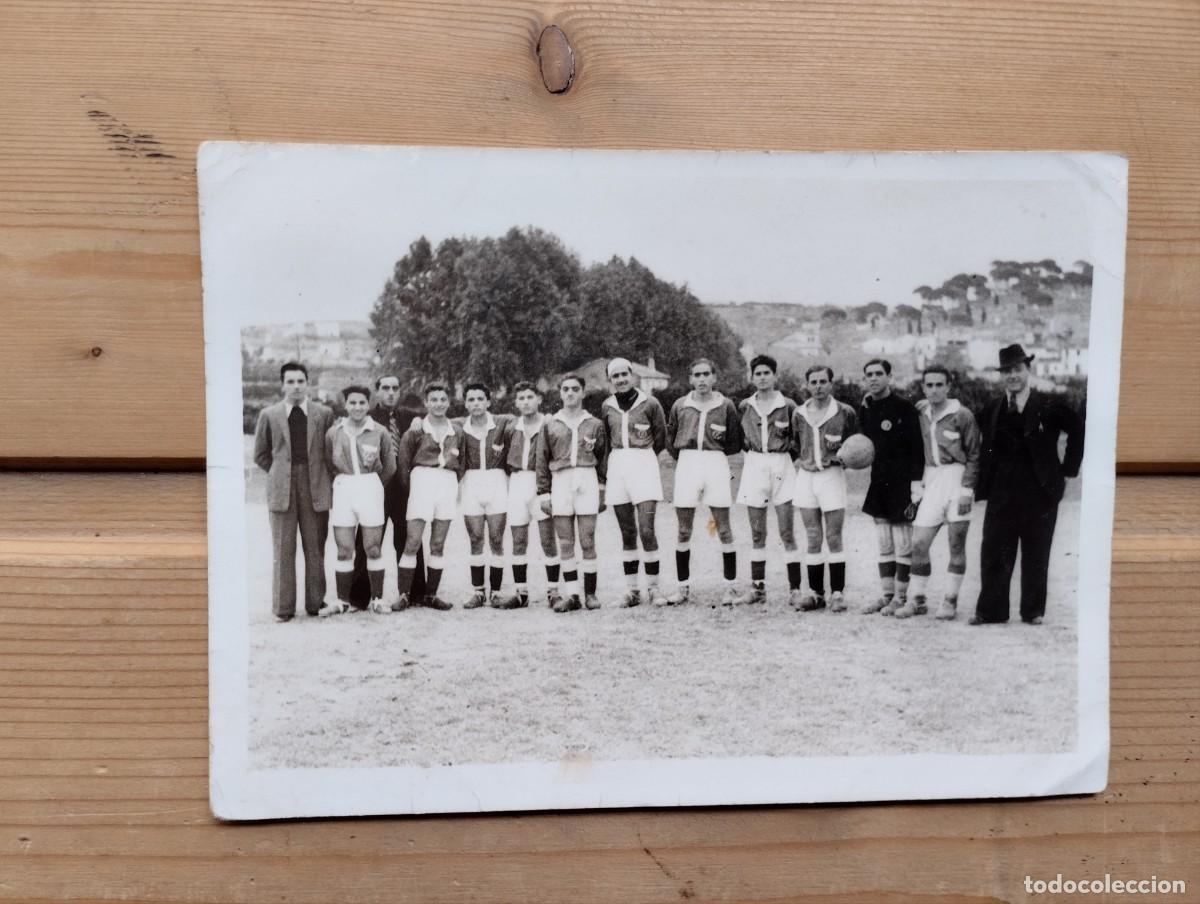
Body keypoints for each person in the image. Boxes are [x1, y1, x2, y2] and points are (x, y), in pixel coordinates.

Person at [972, 344, 1084, 626]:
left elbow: (1079, 429)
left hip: (1040, 491)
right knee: (994, 549)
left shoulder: (1049, 404)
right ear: (1001, 376)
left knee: (1037, 551)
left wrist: (1068, 469)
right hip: (1002, 491)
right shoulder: (993, 409)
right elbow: (974, 437)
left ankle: (1032, 611)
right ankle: (991, 611)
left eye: (1017, 369)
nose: (1012, 376)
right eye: (1007, 371)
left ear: (1028, 371)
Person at [894, 366, 982, 621]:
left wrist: (967, 491)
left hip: (957, 478)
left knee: (956, 544)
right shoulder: (920, 412)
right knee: (919, 543)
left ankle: (950, 601)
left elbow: (975, 455)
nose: (934, 389)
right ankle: (918, 599)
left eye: (939, 384)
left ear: (948, 386)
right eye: (929, 385)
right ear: (923, 387)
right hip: (931, 478)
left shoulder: (962, 415)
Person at [252, 362, 336, 622]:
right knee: (283, 548)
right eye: (290, 381)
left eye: (301, 381)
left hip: (314, 486)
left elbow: (330, 452)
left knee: (315, 546)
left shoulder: (323, 414)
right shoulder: (269, 414)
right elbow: (261, 455)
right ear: (282, 385)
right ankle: (283, 607)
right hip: (282, 488)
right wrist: (281, 473)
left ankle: (315, 602)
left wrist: (319, 476)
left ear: (307, 383)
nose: (296, 387)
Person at [665, 358, 748, 607]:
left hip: (715, 462)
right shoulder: (680, 405)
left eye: (706, 375)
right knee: (683, 529)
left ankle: (730, 588)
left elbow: (734, 441)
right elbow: (671, 439)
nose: (701, 380)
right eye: (696, 375)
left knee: (723, 528)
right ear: (690, 379)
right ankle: (683, 588)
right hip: (688, 463)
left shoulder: (727, 405)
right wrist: (687, 457)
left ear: (714, 377)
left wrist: (712, 453)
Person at [349, 376, 425, 609]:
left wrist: (419, 421)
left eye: (395, 388)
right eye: (385, 388)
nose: (391, 392)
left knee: (410, 538)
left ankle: (415, 593)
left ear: (400, 391)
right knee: (368, 541)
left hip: (403, 487)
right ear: (377, 391)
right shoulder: (367, 417)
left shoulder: (410, 417)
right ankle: (360, 597)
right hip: (376, 486)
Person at [319, 385, 396, 617]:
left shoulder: (380, 431)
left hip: (370, 486)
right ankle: (342, 601)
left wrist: (371, 485)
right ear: (345, 405)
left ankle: (377, 599)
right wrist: (344, 481)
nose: (357, 407)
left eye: (362, 403)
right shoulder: (334, 432)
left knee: (372, 547)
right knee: (344, 549)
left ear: (368, 404)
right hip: (344, 487)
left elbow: (390, 467)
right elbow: (328, 462)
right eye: (352, 403)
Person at [536, 374, 609, 612]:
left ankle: (590, 594)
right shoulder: (551, 423)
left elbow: (602, 457)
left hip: (586, 479)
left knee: (587, 540)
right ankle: (573, 595)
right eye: (565, 389)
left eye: (575, 389)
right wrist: (544, 493)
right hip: (560, 480)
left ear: (583, 392)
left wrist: (601, 487)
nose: (570, 393)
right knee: (566, 542)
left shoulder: (594, 423)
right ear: (559, 394)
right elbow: (542, 459)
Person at [599, 358, 669, 607]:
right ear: (610, 380)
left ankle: (654, 588)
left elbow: (660, 438)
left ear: (632, 375)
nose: (620, 380)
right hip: (618, 465)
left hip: (644, 463)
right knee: (627, 531)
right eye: (615, 376)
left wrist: (644, 454)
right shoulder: (607, 406)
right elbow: (606, 441)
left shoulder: (650, 403)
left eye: (624, 374)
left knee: (647, 529)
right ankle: (632, 590)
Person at [857, 359, 924, 615]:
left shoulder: (904, 408)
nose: (873, 378)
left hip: (902, 483)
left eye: (878, 374)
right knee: (884, 541)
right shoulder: (866, 408)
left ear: (889, 377)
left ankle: (902, 596)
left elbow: (917, 450)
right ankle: (886, 596)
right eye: (869, 375)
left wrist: (916, 486)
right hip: (879, 482)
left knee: (903, 541)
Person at [792, 365, 860, 613]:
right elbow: (796, 444)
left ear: (831, 384)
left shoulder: (845, 412)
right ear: (807, 385)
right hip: (806, 477)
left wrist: (847, 459)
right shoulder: (799, 413)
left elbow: (857, 444)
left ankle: (838, 593)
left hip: (831, 476)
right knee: (812, 536)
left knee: (833, 536)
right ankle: (816, 593)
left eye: (823, 381)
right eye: (813, 382)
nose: (818, 386)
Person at [392, 382, 464, 612]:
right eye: (434, 400)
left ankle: (431, 595)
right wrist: (414, 487)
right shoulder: (415, 430)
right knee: (412, 541)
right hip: (422, 482)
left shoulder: (457, 430)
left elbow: (462, 464)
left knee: (438, 543)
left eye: (443, 399)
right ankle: (404, 594)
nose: (439, 404)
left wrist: (451, 481)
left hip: (446, 483)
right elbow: (403, 467)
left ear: (449, 402)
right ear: (426, 403)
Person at [736, 355, 802, 606]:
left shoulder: (788, 405)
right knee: (757, 532)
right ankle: (758, 588)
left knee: (786, 530)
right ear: (751, 377)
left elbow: (798, 438)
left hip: (781, 463)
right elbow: (740, 437)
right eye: (758, 373)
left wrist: (784, 455)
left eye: (766, 373)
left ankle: (795, 589)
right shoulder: (745, 405)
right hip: (755, 464)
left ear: (775, 376)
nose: (762, 377)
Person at [497, 382, 562, 610]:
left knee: (547, 540)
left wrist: (548, 488)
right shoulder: (511, 427)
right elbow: (504, 456)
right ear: (516, 403)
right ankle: (521, 592)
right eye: (521, 398)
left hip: (541, 483)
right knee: (518, 541)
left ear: (539, 399)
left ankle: (553, 591)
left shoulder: (549, 423)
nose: (526, 401)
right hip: (517, 482)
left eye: (530, 397)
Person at [458, 383, 513, 608]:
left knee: (497, 539)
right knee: (475, 539)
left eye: (480, 399)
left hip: (496, 481)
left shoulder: (502, 422)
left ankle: (496, 592)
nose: (476, 404)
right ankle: (478, 591)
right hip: (472, 482)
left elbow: (526, 418)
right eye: (471, 400)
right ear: (465, 404)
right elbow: (434, 422)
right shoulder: (460, 426)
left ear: (488, 402)